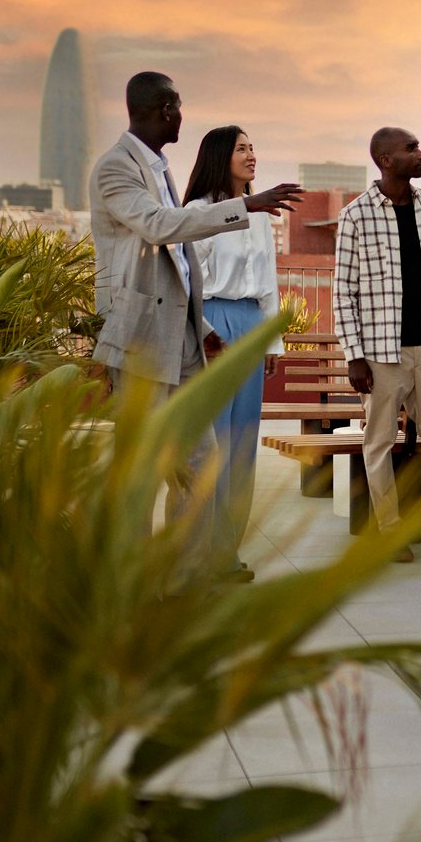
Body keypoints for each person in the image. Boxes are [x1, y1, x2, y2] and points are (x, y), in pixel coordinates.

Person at [90, 73, 301, 563]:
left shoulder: (158, 168)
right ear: (165, 109)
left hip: (187, 336)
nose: (182, 115)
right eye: (178, 106)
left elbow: (187, 269)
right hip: (144, 339)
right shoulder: (116, 168)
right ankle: (133, 574)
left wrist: (204, 330)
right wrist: (245, 205)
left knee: (204, 461)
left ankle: (189, 572)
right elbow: (161, 228)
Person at [333, 125, 421, 561]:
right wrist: (354, 356)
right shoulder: (356, 215)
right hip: (379, 352)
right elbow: (343, 292)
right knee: (378, 443)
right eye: (412, 149)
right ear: (387, 160)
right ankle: (389, 532)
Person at [183, 125, 285, 584]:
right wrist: (205, 332)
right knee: (213, 446)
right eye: (242, 148)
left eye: (253, 147)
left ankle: (227, 553)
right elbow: (188, 284)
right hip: (212, 327)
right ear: (220, 156)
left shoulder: (260, 214)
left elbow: (269, 284)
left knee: (243, 445)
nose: (252, 154)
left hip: (249, 327)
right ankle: (198, 554)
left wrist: (272, 340)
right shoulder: (198, 212)